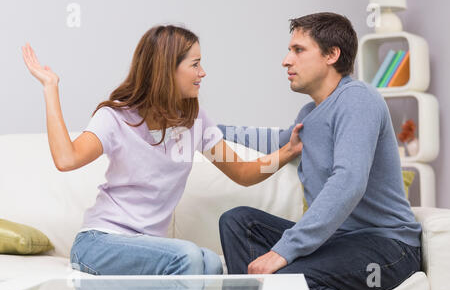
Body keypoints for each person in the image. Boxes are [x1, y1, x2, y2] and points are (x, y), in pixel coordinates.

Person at [22, 25, 303, 276]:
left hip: (150, 246)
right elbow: (66, 158)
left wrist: (287, 152)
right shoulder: (115, 118)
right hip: (99, 242)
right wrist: (50, 89)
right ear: (168, 69)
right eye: (195, 64)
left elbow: (242, 172)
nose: (202, 73)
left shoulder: (194, 121)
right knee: (190, 257)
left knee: (212, 263)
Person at [218, 12, 422, 290]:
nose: (286, 60)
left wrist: (283, 251)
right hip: (335, 243)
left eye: (298, 50)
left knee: (286, 281)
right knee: (239, 221)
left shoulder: (358, 99)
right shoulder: (309, 116)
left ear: (331, 55)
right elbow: (269, 140)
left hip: (387, 249)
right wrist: (201, 128)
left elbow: (349, 182)